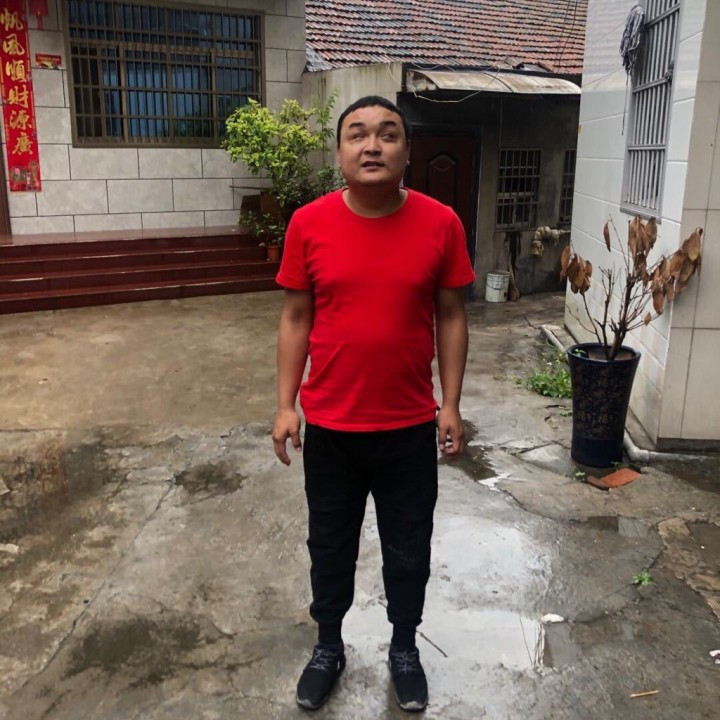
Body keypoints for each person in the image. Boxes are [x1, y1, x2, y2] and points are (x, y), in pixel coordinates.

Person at [272, 95, 475, 712]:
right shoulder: (308, 224)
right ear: (339, 152)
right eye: (357, 134)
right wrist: (285, 404)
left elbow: (451, 315)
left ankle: (404, 648)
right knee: (329, 544)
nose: (372, 146)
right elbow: (296, 317)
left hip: (407, 426)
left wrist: (450, 404)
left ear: (407, 151)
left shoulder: (441, 223)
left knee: (409, 547)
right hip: (332, 426)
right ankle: (328, 646)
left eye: (388, 134)